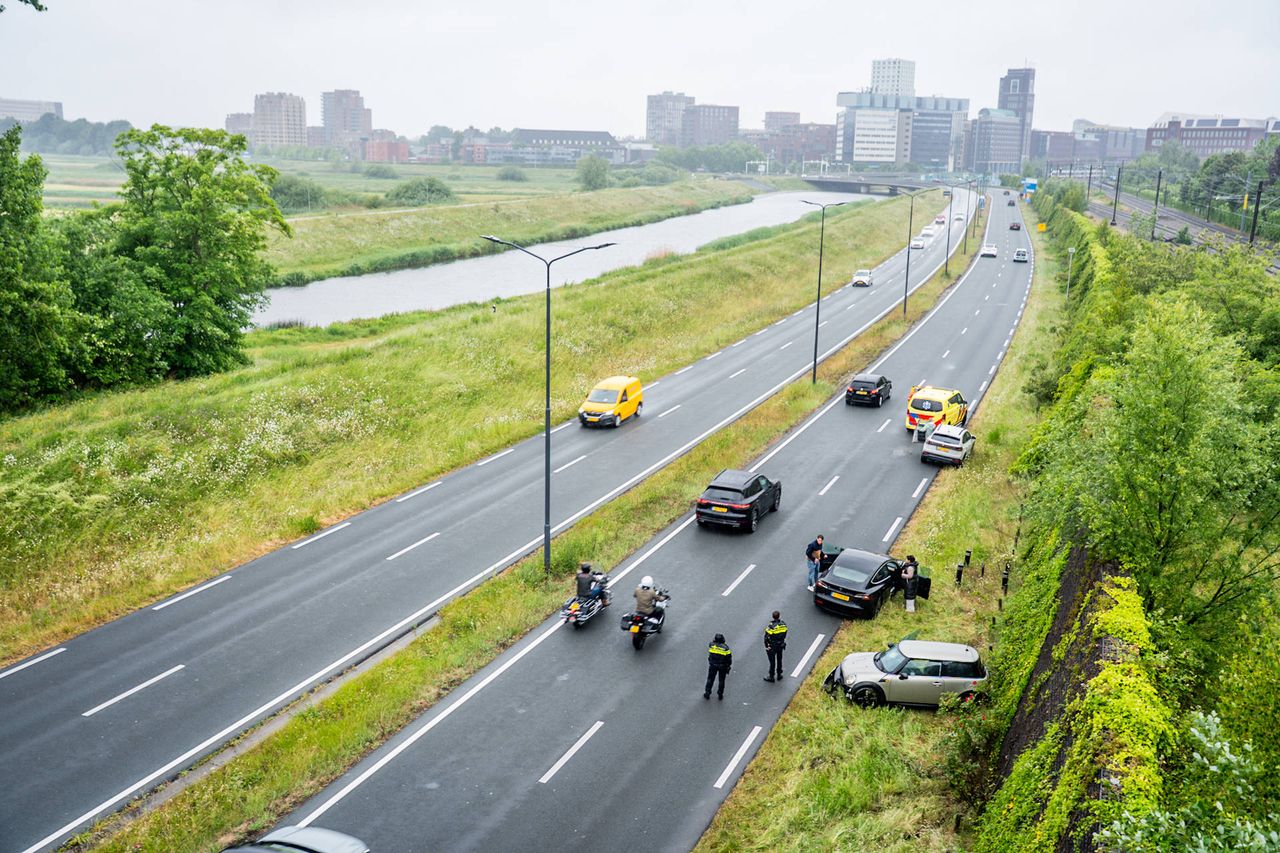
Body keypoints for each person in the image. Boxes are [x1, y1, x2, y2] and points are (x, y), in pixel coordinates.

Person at [705, 633, 732, 700]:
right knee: (721, 680)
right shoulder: (726, 648)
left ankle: (707, 693)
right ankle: (720, 694)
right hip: (723, 666)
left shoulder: (711, 645)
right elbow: (729, 658)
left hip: (713, 665)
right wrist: (728, 666)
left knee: (710, 679)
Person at [763, 611, 788, 682]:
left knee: (772, 662)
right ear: (779, 616)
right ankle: (779, 674)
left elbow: (766, 637)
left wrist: (767, 646)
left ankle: (771, 676)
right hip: (780, 645)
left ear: (773, 616)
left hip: (772, 646)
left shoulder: (771, 626)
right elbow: (785, 633)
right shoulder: (783, 625)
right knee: (779, 660)